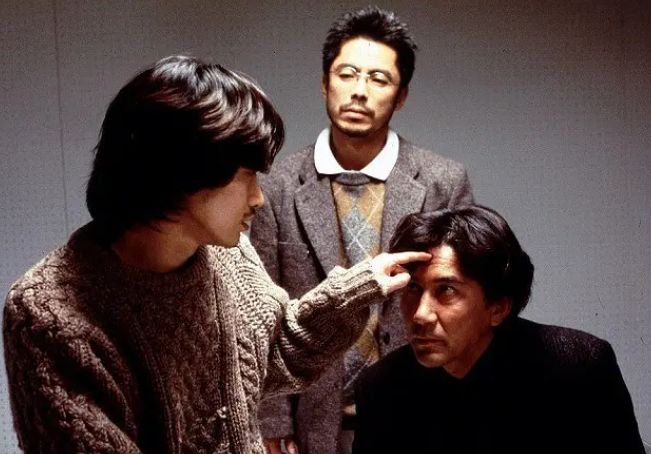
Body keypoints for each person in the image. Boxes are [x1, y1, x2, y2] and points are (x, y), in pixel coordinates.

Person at [2, 55, 431, 454]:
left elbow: (269, 354)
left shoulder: (226, 253)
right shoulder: (48, 312)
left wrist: (356, 289)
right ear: (182, 173)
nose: (259, 198)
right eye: (246, 175)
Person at [250, 6, 474, 454]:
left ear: (401, 96)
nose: (359, 91)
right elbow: (261, 312)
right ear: (324, 83)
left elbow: (462, 304)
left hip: (420, 412)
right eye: (347, 74)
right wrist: (272, 419)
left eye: (379, 79)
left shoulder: (442, 182)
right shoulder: (276, 186)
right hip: (313, 417)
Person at [352, 205, 646, 454]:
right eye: (414, 288)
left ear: (498, 308)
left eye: (446, 290)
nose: (420, 314)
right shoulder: (380, 388)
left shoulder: (577, 367)